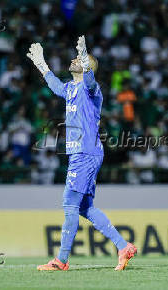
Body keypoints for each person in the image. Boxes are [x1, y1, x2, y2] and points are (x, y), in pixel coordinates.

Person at [27, 36, 137, 271]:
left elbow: (90, 81)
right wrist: (42, 65)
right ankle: (123, 246)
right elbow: (56, 86)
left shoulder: (92, 90)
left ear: (88, 67)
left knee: (69, 204)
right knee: (85, 207)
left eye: (79, 59)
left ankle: (61, 261)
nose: (73, 59)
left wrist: (86, 61)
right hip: (84, 153)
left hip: (85, 153)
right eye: (77, 58)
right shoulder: (70, 89)